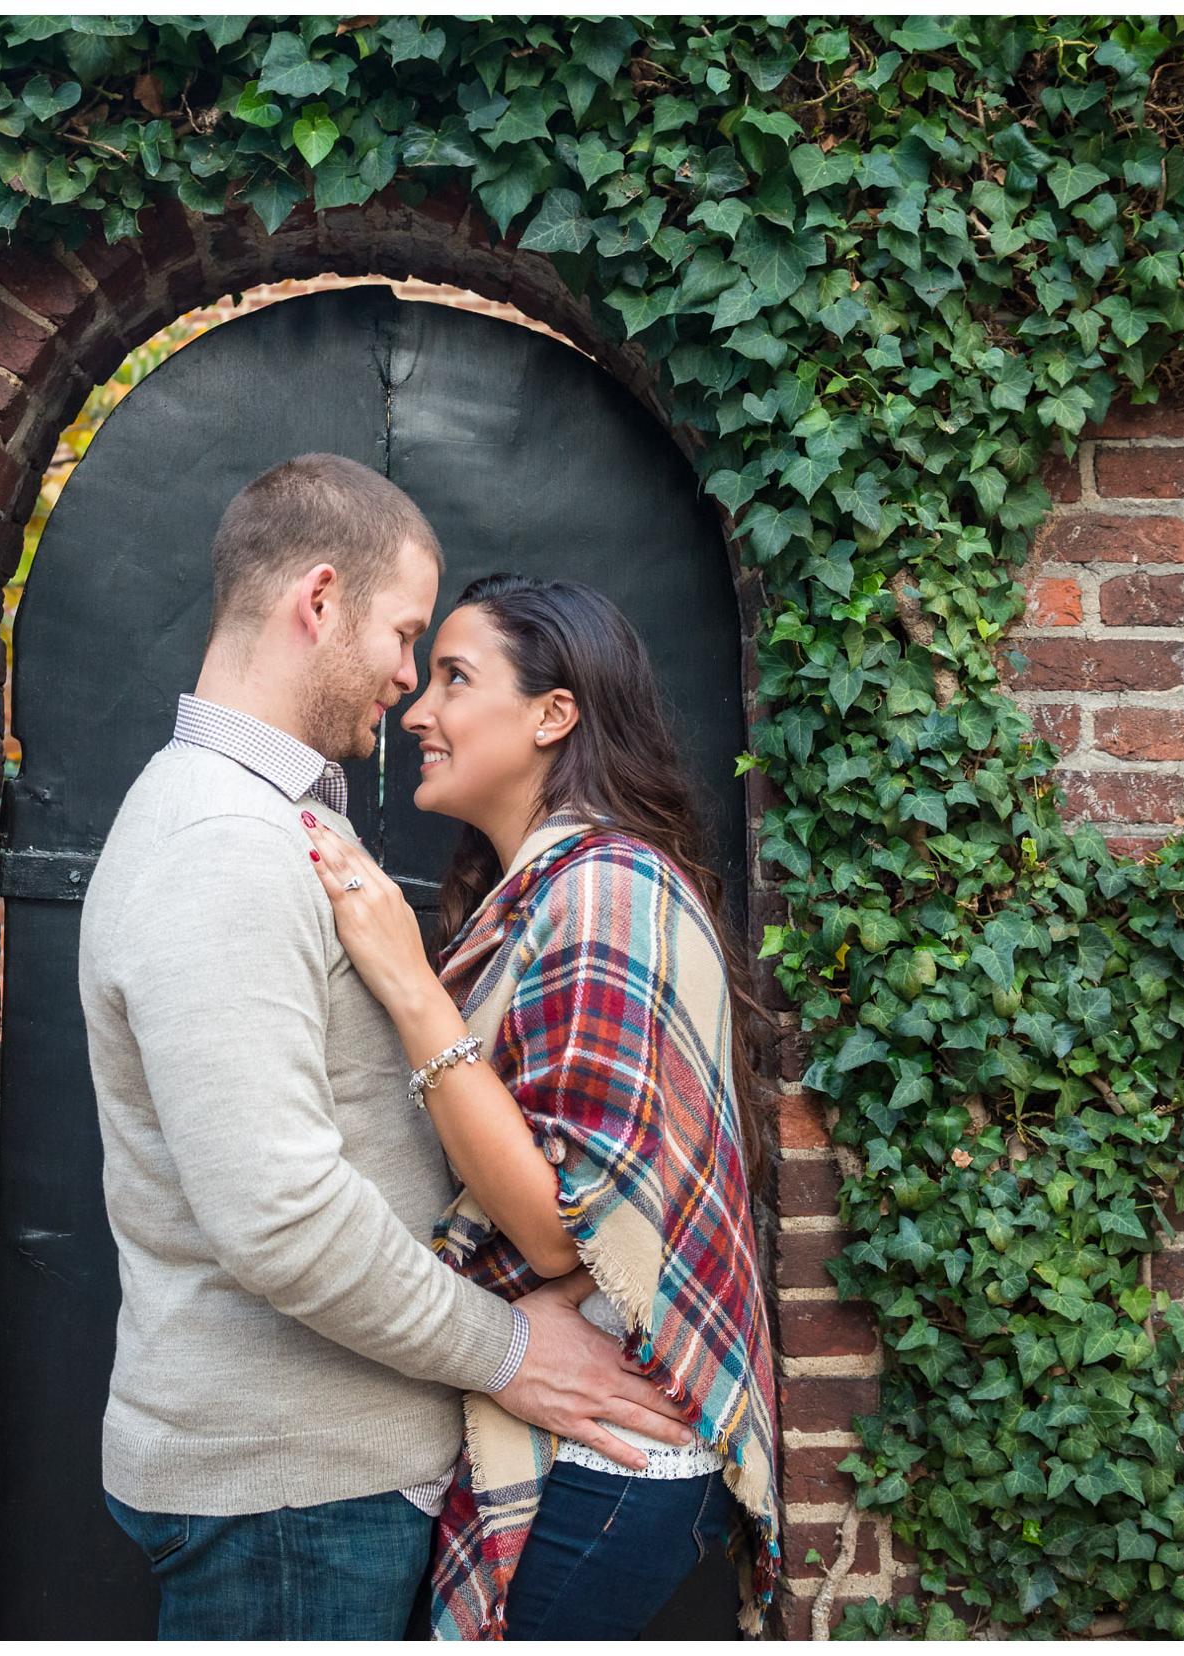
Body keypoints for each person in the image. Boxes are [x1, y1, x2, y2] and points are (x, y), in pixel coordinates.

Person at [79, 457, 696, 1640]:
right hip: (289, 1495)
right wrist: (510, 1350)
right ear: (319, 603)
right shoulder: (220, 840)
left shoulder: (274, 823)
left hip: (320, 1484)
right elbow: (280, 1211)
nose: (410, 682)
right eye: (408, 635)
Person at [298, 572, 782, 1639]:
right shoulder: (546, 892)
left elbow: (562, 1234)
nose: (418, 710)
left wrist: (412, 987)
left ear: (554, 714)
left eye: (456, 678)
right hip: (583, 1444)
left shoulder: (607, 890)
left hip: (613, 1456)